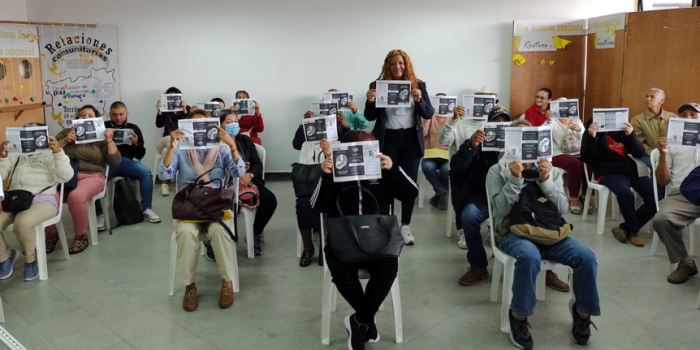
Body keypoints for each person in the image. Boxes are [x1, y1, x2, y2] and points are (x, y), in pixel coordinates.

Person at [311, 130, 418, 350]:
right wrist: (325, 175)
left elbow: (411, 194)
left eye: (371, 149)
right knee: (342, 274)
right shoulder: (334, 170)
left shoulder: (383, 171)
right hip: (343, 238)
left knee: (388, 269)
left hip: (380, 238)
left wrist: (393, 168)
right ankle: (366, 319)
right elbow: (317, 206)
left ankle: (359, 320)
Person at [486, 154, 599, 349]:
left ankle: (582, 312)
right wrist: (514, 179)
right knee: (529, 256)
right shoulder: (498, 170)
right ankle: (518, 316)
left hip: (550, 232)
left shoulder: (551, 170)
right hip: (514, 231)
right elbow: (500, 210)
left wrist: (546, 181)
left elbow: (563, 208)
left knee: (586, 257)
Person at [158, 108, 245, 311]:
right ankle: (189, 286)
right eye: (194, 125)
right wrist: (171, 146)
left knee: (220, 231)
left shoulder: (222, 149)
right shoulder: (180, 149)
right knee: (187, 233)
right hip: (190, 205)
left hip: (216, 205)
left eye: (204, 125)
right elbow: (165, 174)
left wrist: (232, 145)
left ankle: (227, 283)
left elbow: (239, 171)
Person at [364, 49, 434, 245]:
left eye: (401, 63)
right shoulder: (377, 85)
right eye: (393, 64)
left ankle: (405, 225)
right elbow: (370, 116)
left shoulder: (418, 84)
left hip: (410, 139)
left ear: (407, 65)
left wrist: (419, 99)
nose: (397, 67)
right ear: (387, 65)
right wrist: (370, 101)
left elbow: (428, 113)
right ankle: (387, 223)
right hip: (388, 138)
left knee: (409, 182)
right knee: (386, 179)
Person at [0, 125, 74, 281]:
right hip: (15, 197)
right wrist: (3, 156)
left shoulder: (50, 154)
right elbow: (2, 174)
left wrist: (57, 153)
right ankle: (4, 256)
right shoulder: (17, 154)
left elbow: (66, 176)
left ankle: (30, 260)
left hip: (42, 198)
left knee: (22, 223)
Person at [46, 105, 122, 254]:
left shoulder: (101, 135)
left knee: (76, 196)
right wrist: (65, 142)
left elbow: (115, 162)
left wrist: (109, 141)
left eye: (90, 115)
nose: (86, 118)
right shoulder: (66, 132)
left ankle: (81, 235)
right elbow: (48, 153)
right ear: (77, 118)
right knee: (48, 196)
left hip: (93, 175)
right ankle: (51, 234)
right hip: (65, 175)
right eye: (82, 115)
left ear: (96, 119)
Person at [581, 119, 655, 247]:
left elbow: (639, 153)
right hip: (608, 172)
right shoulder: (592, 133)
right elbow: (587, 158)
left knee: (655, 197)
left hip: (631, 170)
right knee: (625, 194)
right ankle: (634, 232)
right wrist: (591, 137)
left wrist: (631, 135)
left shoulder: (621, 133)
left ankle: (625, 227)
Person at [293, 110, 350, 266]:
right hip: (310, 186)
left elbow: (340, 171)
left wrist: (327, 155)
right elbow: (305, 170)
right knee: (303, 204)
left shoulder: (339, 143)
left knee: (329, 203)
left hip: (332, 186)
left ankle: (324, 246)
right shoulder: (307, 144)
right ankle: (307, 247)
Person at [217, 110, 277, 256]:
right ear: (221, 126)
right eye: (229, 122)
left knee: (269, 200)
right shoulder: (215, 144)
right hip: (225, 184)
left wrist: (249, 175)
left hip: (248, 181)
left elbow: (257, 163)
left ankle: (254, 233)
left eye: (235, 121)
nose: (233, 124)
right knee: (228, 207)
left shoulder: (245, 140)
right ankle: (221, 239)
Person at [652, 103, 700, 284]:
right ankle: (685, 262)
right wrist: (663, 154)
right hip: (682, 194)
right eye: (684, 115)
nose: (688, 118)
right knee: (661, 219)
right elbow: (662, 181)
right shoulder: (670, 144)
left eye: (693, 115)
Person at [100, 101, 161, 224]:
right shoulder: (102, 127)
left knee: (146, 173)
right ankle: (99, 214)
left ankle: (147, 209)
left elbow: (140, 155)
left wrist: (135, 144)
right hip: (107, 163)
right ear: (109, 115)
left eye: (121, 114)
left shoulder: (133, 128)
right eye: (114, 115)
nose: (118, 118)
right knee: (95, 179)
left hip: (125, 161)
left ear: (127, 114)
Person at [549, 98, 588, 215]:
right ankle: (574, 198)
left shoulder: (576, 119)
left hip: (577, 151)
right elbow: (544, 130)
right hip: (558, 153)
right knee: (575, 164)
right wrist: (547, 120)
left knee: (589, 162)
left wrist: (579, 130)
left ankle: (586, 195)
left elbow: (585, 136)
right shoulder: (552, 120)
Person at [155, 87, 190, 196]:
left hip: (178, 144)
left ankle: (164, 184)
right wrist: (159, 111)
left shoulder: (187, 108)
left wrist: (185, 110)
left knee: (167, 150)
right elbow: (159, 125)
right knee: (170, 141)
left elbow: (190, 125)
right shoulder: (165, 109)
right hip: (164, 140)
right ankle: (166, 181)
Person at [630, 88, 677, 169]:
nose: (648, 99)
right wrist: (656, 153)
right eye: (647, 96)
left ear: (661, 101)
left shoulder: (673, 117)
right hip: (649, 155)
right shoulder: (637, 120)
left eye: (652, 97)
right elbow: (639, 144)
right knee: (656, 165)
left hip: (672, 154)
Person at [421, 93, 451, 210]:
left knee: (445, 170)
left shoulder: (452, 118)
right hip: (430, 153)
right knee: (427, 166)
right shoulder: (429, 116)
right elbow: (422, 134)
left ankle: (440, 195)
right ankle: (443, 193)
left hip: (447, 154)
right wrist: (427, 117)